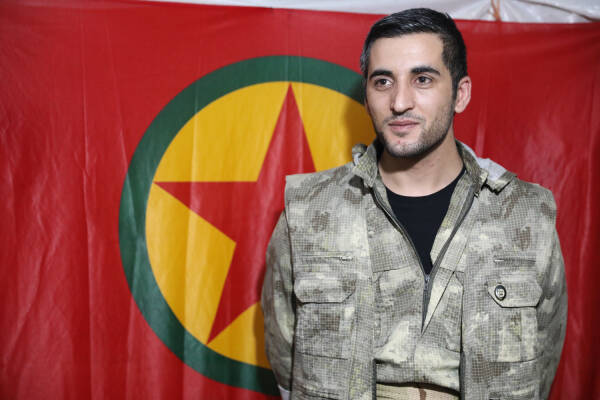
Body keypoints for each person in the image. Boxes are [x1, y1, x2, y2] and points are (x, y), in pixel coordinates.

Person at [261, 8, 567, 400]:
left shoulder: (526, 214)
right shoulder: (309, 210)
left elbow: (543, 356)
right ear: (367, 96)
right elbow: (285, 353)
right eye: (383, 81)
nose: (400, 102)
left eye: (422, 79)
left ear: (460, 94)